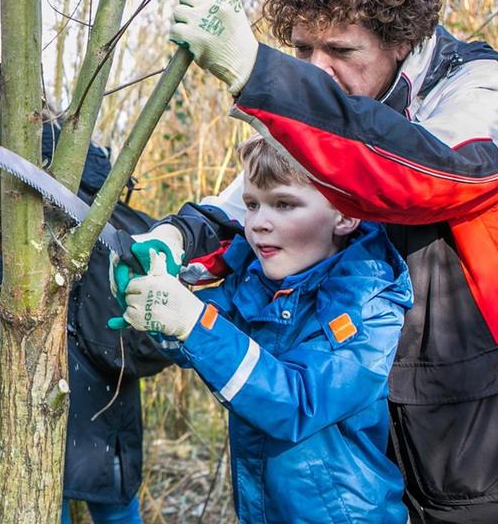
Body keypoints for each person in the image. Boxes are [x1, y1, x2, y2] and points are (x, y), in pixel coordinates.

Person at [121, 0, 498, 523]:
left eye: (341, 51)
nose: (316, 70)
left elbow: (415, 176)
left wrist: (261, 75)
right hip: (396, 438)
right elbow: (256, 200)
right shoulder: (330, 123)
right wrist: (177, 238)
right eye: (302, 51)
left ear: (402, 40)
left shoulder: (485, 92)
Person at [119, 135, 410, 523]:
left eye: (284, 204)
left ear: (345, 215)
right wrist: (157, 309)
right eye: (253, 204)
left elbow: (296, 404)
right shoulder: (258, 280)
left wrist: (191, 322)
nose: (258, 223)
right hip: (262, 508)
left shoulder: (368, 303)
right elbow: (208, 332)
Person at [0, 74, 148, 524]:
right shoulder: (82, 170)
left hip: (68, 363)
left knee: (66, 503)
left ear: (4, 122)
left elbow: (10, 270)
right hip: (98, 367)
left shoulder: (37, 181)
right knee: (106, 498)